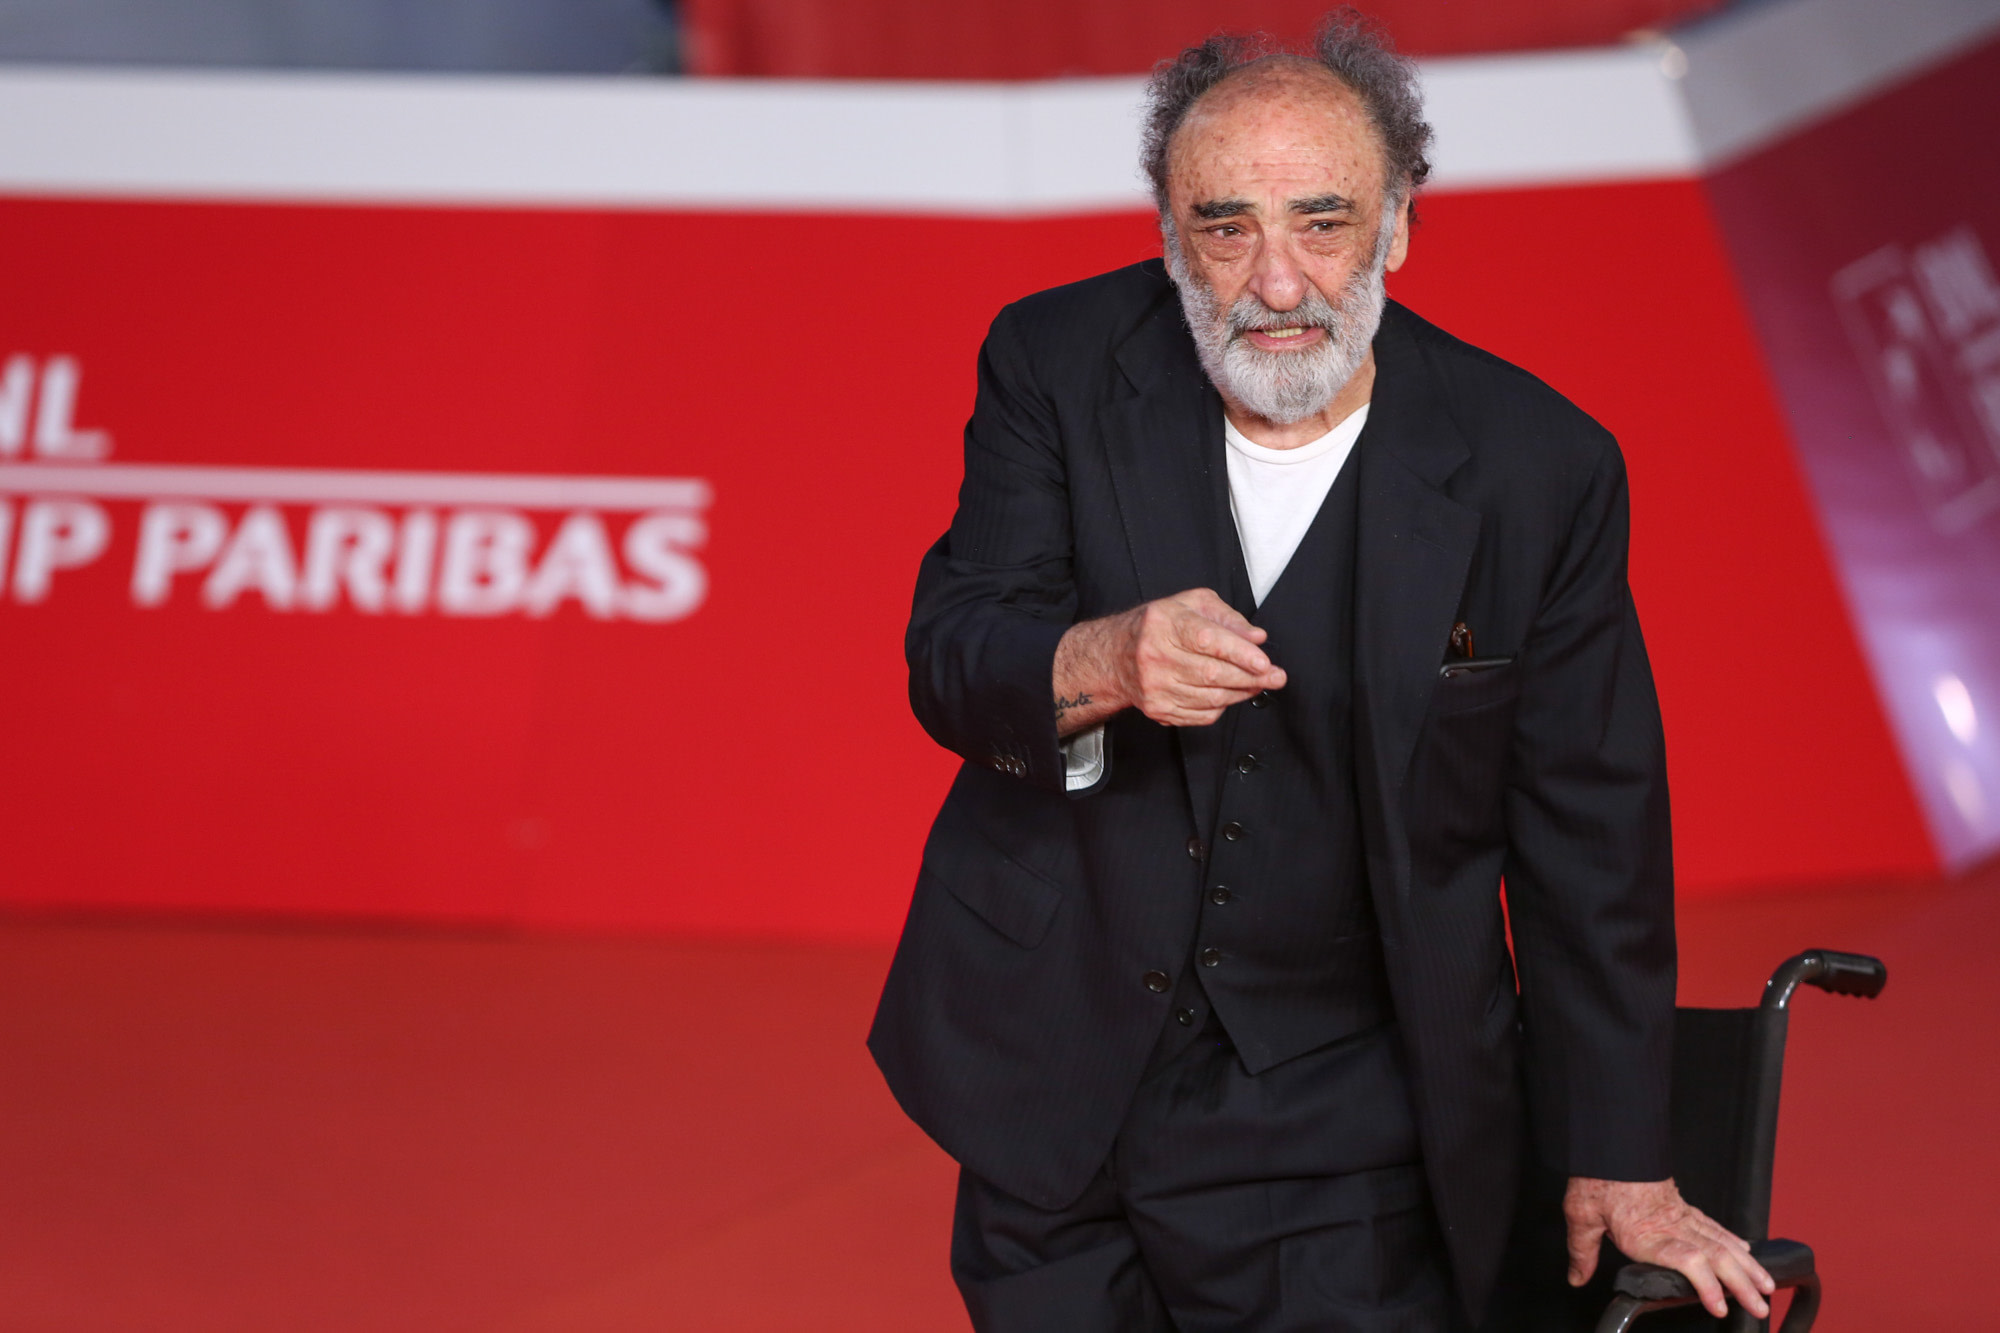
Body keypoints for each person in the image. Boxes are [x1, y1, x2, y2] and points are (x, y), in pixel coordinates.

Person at [869, 11, 1776, 1330]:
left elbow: (1591, 837)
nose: (1277, 283)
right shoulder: (1051, 365)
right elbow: (954, 657)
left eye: (1324, 221)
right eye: (1226, 227)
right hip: (1047, 1081)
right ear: (1169, 233)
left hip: (1347, 1119)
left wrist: (1620, 1147)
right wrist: (1101, 658)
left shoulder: (1539, 468)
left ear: (1400, 224)